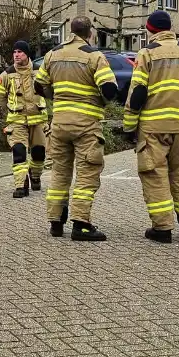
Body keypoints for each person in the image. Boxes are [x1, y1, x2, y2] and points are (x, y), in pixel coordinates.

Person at [123, 10, 179, 244]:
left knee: (155, 175)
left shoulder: (147, 53)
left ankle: (162, 228)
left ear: (150, 30)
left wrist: (129, 127)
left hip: (153, 127)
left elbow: (137, 93)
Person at [35, 16, 118, 241]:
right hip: (86, 126)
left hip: (60, 124)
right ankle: (81, 225)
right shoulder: (94, 56)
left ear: (71, 31)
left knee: (60, 173)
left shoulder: (53, 54)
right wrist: (99, 101)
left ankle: (55, 222)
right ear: (89, 33)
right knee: (86, 174)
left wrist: (56, 100)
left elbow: (38, 85)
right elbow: (109, 89)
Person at [0, 41, 47, 198]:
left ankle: (35, 175)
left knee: (39, 153)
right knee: (19, 152)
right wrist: (10, 109)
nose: (16, 55)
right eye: (14, 52)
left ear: (27, 54)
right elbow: (0, 94)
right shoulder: (7, 75)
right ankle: (20, 185)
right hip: (17, 121)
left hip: (38, 120)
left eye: (20, 52)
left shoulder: (40, 72)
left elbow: (50, 92)